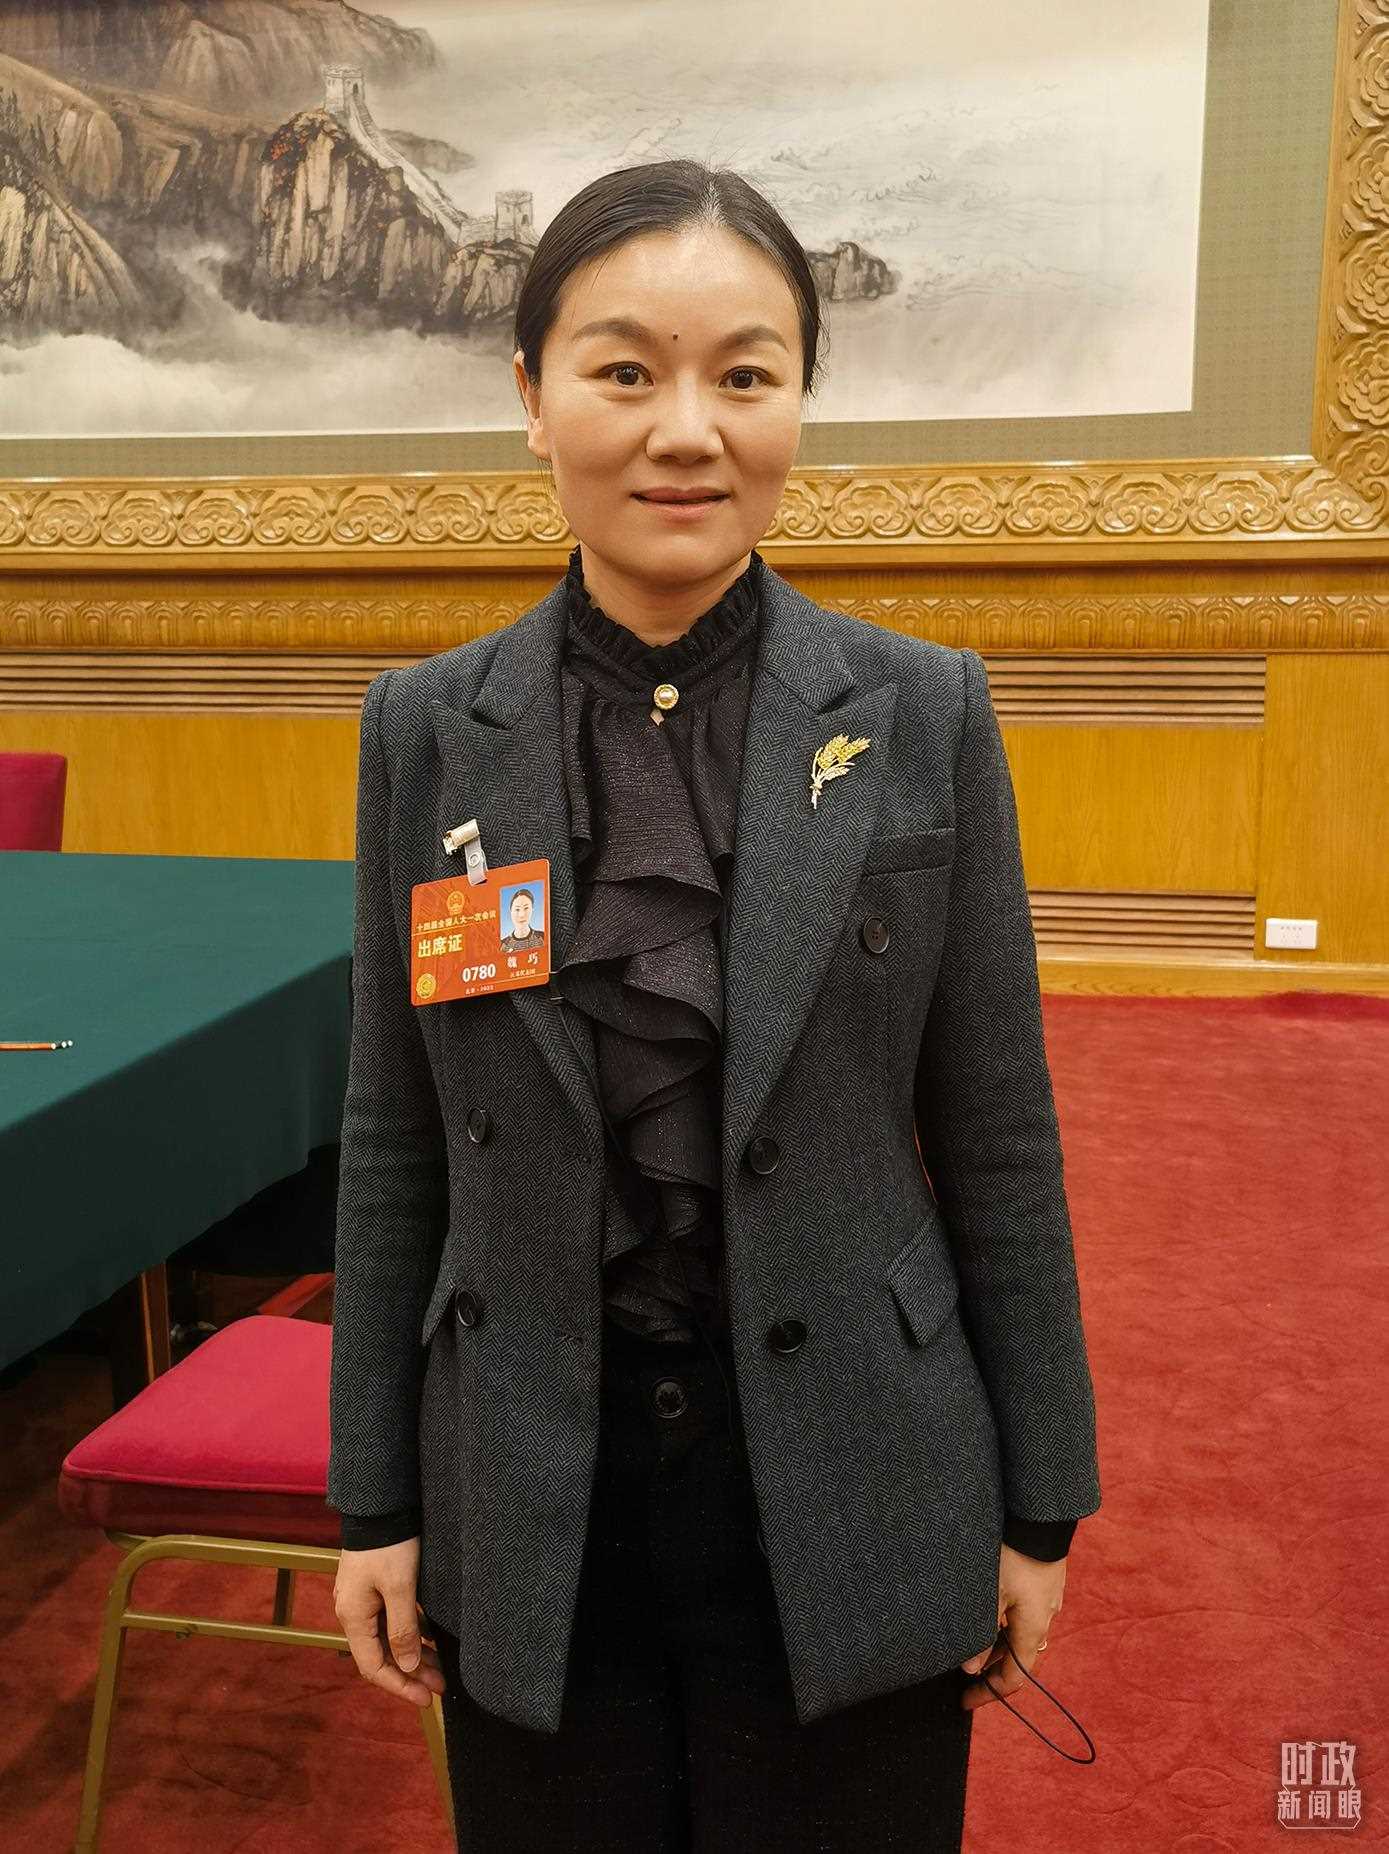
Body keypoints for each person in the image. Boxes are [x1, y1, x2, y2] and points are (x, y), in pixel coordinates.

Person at [328, 157, 1101, 1851]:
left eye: (745, 375)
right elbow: (395, 1136)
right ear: (530, 397)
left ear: (798, 398)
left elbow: (995, 1130)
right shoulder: (425, 730)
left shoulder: (919, 711)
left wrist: (1041, 1499)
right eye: (623, 370)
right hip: (532, 1478)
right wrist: (375, 1494)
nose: (686, 430)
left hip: (856, 1461)